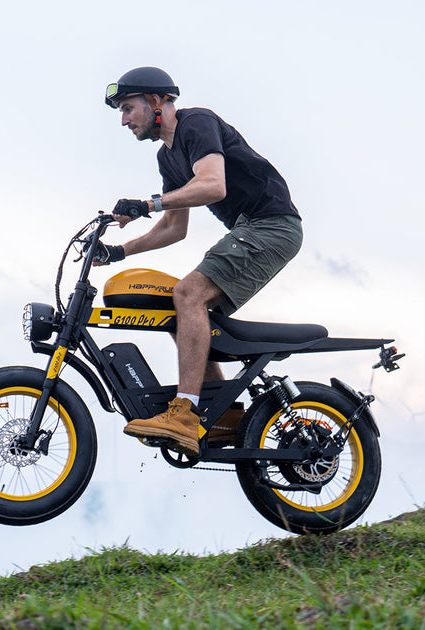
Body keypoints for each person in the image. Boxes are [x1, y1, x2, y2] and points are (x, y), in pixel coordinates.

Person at [99, 66, 303, 457]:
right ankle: (221, 417)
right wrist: (118, 252)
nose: (124, 120)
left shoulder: (196, 123)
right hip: (252, 229)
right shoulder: (167, 158)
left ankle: (185, 412)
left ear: (157, 101)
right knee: (179, 307)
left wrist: (146, 204)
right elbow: (174, 228)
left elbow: (213, 185)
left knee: (188, 292)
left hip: (271, 225)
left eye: (127, 108)